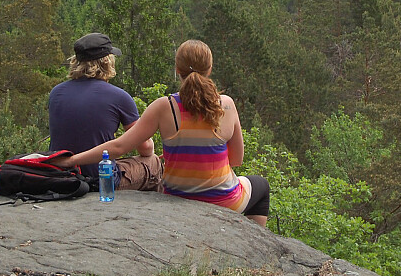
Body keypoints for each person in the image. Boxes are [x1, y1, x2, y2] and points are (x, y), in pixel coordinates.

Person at [50, 39, 270, 227]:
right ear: (210, 69)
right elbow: (237, 159)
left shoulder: (163, 106)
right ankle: (255, 248)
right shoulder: (227, 105)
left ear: (177, 69)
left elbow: (118, 147)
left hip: (177, 197)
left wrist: (71, 161)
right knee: (261, 186)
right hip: (224, 200)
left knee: (157, 166)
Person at [47, 32, 163, 191]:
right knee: (153, 162)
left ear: (76, 62)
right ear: (106, 62)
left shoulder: (56, 93)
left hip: (61, 175)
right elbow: (145, 148)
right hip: (99, 180)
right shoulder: (119, 97)